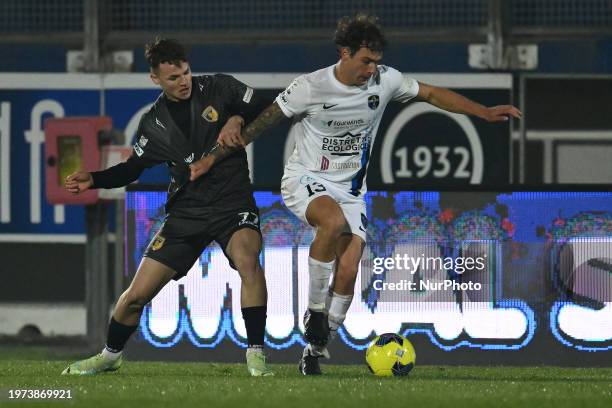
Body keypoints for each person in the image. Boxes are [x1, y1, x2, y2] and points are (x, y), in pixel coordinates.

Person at [190, 13, 522, 375]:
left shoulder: (385, 81)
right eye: (365, 61)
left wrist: (483, 112)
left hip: (351, 191)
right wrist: (211, 159)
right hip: (305, 180)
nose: (371, 69)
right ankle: (314, 311)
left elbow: (429, 93)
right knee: (330, 222)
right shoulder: (311, 86)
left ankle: (315, 348)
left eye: (376, 62)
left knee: (348, 269)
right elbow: (264, 122)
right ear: (344, 53)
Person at [62, 38, 273, 376]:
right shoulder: (153, 125)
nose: (183, 81)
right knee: (134, 296)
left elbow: (267, 105)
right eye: (173, 78)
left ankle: (256, 355)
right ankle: (110, 355)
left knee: (249, 262)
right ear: (155, 79)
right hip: (186, 213)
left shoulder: (220, 87)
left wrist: (236, 117)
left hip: (232, 204)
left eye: (186, 73)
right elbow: (132, 169)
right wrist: (95, 179)